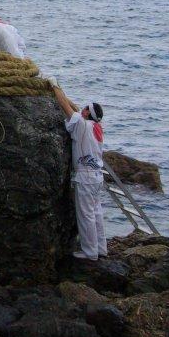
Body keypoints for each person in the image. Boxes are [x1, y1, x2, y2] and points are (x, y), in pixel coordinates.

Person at [52, 83, 107, 260]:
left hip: (86, 177)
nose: (81, 109)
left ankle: (90, 252)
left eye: (83, 109)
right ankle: (100, 248)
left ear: (86, 113)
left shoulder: (82, 125)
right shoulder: (96, 127)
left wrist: (54, 86)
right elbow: (75, 110)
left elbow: (65, 106)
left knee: (86, 215)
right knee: (97, 212)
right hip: (98, 176)